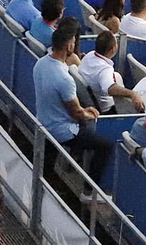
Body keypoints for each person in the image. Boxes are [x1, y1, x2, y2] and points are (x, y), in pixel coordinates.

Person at [32, 19, 111, 181]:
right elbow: (77, 113)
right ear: (69, 46)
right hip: (63, 131)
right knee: (106, 146)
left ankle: (44, 180)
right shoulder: (65, 79)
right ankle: (89, 188)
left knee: (46, 168)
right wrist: (90, 113)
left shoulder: (40, 64)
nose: (75, 45)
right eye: (73, 42)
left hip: (43, 121)